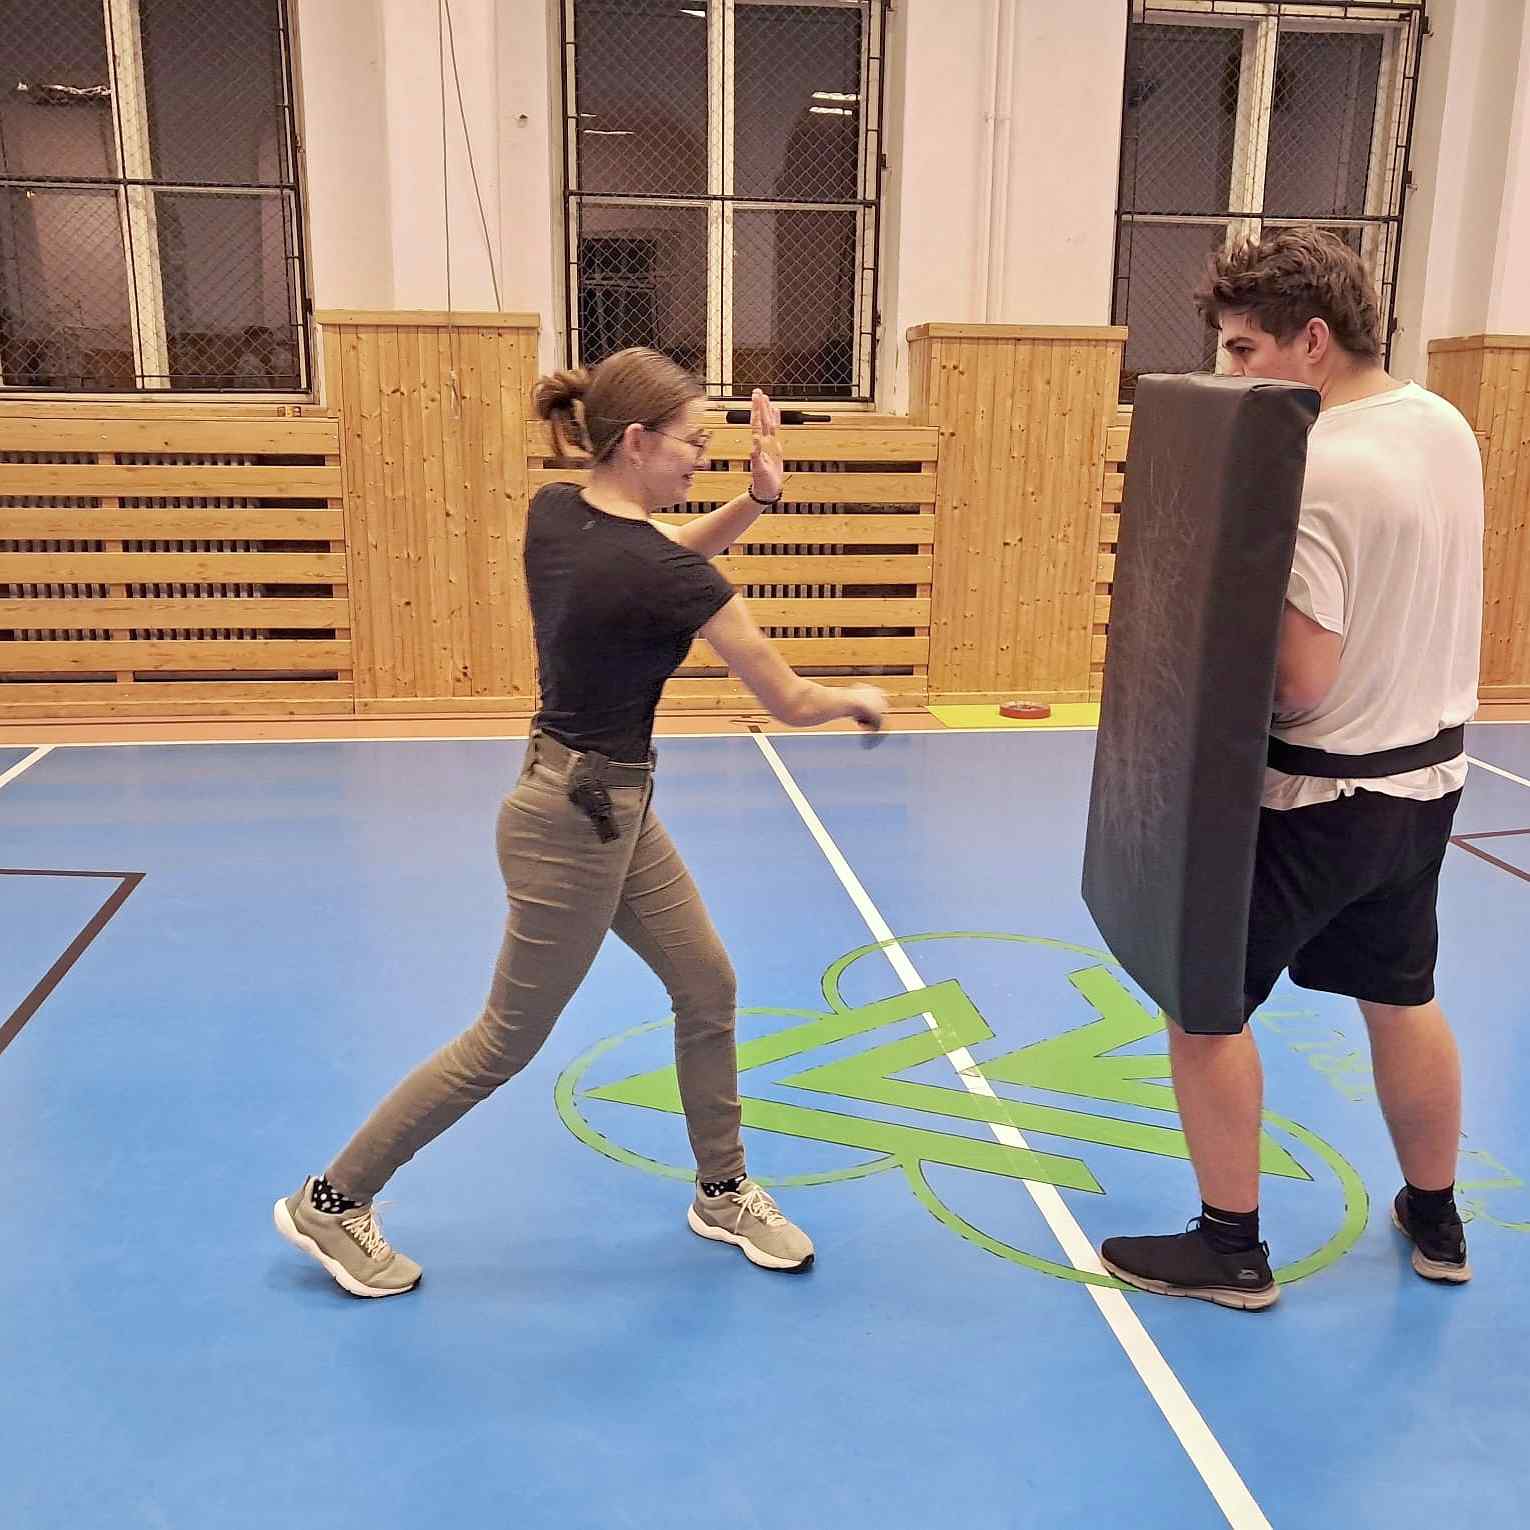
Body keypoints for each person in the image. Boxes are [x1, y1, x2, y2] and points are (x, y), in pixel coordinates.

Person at [275, 348, 888, 1296]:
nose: (702, 459)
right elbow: (790, 699)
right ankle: (333, 1198)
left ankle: (722, 1191)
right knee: (503, 1041)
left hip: (594, 802)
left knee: (708, 985)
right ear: (637, 441)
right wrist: (857, 699)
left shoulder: (557, 513)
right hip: (577, 825)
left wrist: (756, 501)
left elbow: (657, 556)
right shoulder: (662, 574)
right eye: (693, 444)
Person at [1100, 228, 1484, 1309]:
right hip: (1426, 784)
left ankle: (1230, 1248)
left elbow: (1304, 681)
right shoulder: (1440, 422)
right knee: (1399, 995)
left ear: (1312, 340)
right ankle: (1438, 1217)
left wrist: (1203, 633)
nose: (1230, 373)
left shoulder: (1312, 467)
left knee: (1203, 1009)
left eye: (1242, 349)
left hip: (1319, 796)